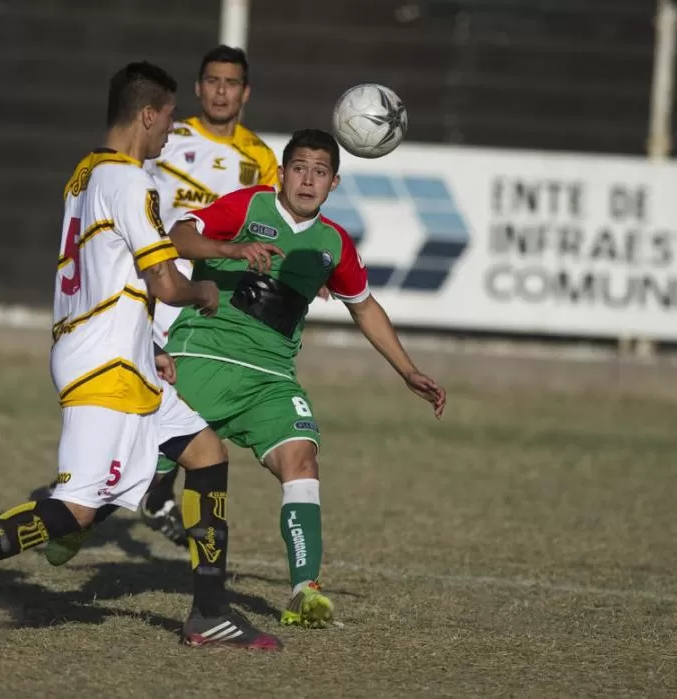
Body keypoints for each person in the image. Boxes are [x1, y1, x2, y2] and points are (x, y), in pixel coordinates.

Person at [0, 61, 283, 650]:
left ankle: (208, 611)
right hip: (105, 364)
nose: (172, 130)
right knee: (75, 510)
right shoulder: (130, 181)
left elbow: (108, 273)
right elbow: (166, 284)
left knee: (205, 454)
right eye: (170, 116)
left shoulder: (84, 174)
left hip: (119, 353)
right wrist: (206, 292)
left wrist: (150, 344)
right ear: (147, 114)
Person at [49, 128, 447, 629]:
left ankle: (305, 591)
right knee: (144, 468)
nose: (308, 180)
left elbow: (364, 307)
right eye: (299, 168)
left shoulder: (333, 244)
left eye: (320, 172)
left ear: (335, 183)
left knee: (302, 459)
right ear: (281, 174)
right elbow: (178, 237)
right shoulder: (249, 206)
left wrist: (408, 370)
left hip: (271, 377)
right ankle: (75, 518)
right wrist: (232, 250)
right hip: (203, 357)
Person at [138, 44, 279, 545]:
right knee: (152, 391)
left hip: (212, 295)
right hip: (157, 282)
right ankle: (131, 487)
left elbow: (275, 226)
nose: (222, 91)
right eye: (213, 81)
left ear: (246, 92)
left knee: (187, 395)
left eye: (231, 83)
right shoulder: (167, 138)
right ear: (198, 88)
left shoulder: (260, 158)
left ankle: (151, 488)